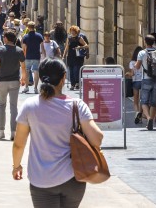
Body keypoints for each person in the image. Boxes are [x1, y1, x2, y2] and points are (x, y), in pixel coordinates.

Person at [13, 58, 104, 207]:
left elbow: (18, 144)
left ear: (41, 77)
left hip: (41, 179)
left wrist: (16, 166)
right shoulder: (77, 106)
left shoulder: (29, 106)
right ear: (63, 78)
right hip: (73, 178)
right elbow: (97, 139)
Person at [0, 30, 27, 140]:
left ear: (6, 38)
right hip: (14, 81)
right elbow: (23, 66)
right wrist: (23, 78)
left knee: (2, 105)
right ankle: (13, 132)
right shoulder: (19, 51)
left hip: (2, 81)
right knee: (13, 106)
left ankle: (1, 132)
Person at [134, 35, 156, 130]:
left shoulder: (142, 53)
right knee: (153, 103)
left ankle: (148, 118)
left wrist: (136, 64)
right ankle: (151, 121)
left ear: (145, 42)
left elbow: (137, 66)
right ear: (154, 42)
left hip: (146, 79)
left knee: (144, 101)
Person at [62, 26, 88, 91]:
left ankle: (77, 83)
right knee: (71, 71)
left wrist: (80, 47)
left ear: (76, 31)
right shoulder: (69, 38)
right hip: (70, 56)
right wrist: (64, 56)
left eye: (73, 31)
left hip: (78, 57)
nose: (72, 32)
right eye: (71, 31)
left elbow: (86, 45)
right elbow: (67, 47)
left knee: (76, 70)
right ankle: (72, 84)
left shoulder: (79, 38)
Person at [22, 21, 45, 94]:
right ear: (34, 27)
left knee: (27, 72)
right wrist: (44, 55)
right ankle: (35, 88)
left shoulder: (25, 36)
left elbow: (24, 48)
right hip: (36, 56)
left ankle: (26, 87)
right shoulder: (39, 36)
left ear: (28, 27)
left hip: (28, 56)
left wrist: (23, 56)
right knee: (36, 72)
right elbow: (42, 47)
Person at [128, 46, 145, 124]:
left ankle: (137, 113)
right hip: (143, 81)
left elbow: (132, 74)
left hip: (135, 82)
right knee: (142, 100)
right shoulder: (144, 61)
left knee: (135, 100)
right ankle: (140, 116)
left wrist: (127, 74)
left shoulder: (132, 62)